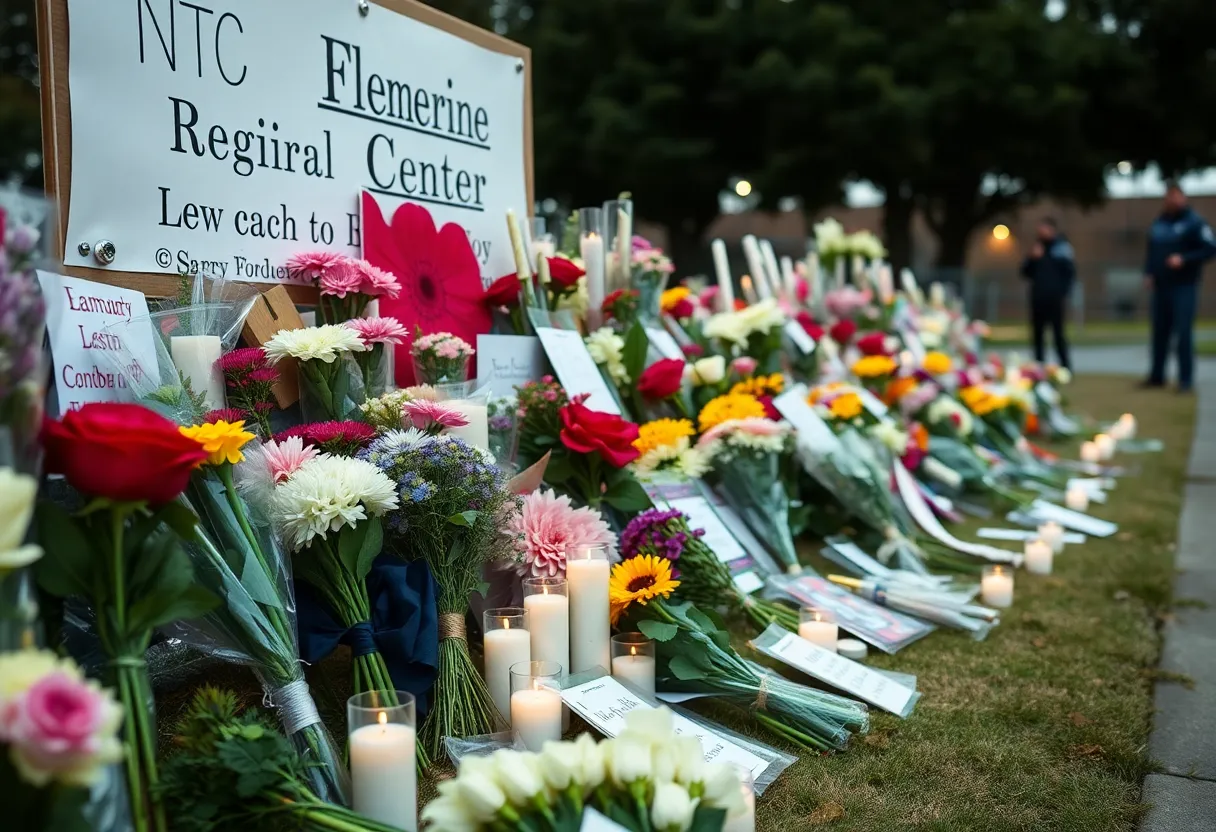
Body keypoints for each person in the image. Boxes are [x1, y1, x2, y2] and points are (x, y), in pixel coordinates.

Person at [1142, 182, 1216, 393]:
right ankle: (1157, 376)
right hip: (1161, 286)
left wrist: (1184, 258)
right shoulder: (1159, 223)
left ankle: (1185, 380)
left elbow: (1210, 248)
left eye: (1177, 196)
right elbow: (1152, 251)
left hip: (1184, 286)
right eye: (1169, 196)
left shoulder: (1194, 222)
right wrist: (1149, 273)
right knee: (1159, 332)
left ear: (1184, 198)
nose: (1172, 200)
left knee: (1183, 333)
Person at [1020, 217, 1075, 370]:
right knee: (1038, 334)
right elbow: (1025, 272)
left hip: (1055, 298)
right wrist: (1032, 259)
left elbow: (1069, 273)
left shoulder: (1062, 248)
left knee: (1058, 334)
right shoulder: (1036, 248)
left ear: (1052, 230)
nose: (1041, 232)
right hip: (1038, 297)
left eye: (1044, 229)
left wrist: (1063, 293)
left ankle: (1065, 367)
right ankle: (1039, 367)